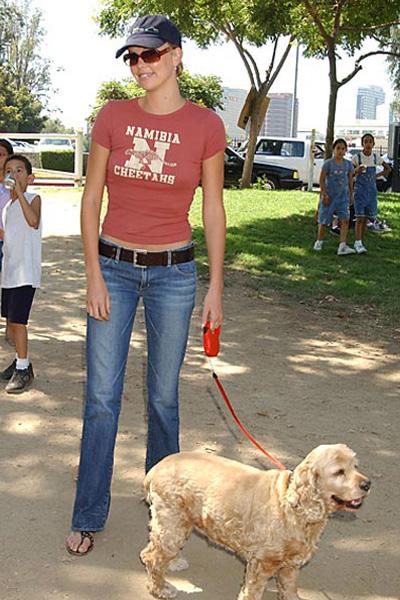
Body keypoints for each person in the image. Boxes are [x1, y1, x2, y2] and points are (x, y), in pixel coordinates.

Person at [66, 14, 226, 556]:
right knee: (102, 400)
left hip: (174, 275)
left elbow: (213, 208)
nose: (139, 65)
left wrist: (216, 287)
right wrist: (93, 274)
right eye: (132, 58)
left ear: (176, 55)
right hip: (112, 267)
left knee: (162, 399)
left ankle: (168, 512)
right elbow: (91, 200)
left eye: (150, 55)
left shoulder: (206, 125)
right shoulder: (112, 116)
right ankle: (89, 513)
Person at [0, 154, 41, 393]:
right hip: (11, 273)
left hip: (26, 273)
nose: (13, 175)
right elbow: (9, 237)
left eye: (18, 171)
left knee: (18, 321)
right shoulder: (7, 207)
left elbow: (33, 221)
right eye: (8, 171)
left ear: (29, 177)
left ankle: (24, 368)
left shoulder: (33, 199)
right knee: (11, 322)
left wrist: (20, 195)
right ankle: (19, 360)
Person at [313, 138, 355, 256]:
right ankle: (319, 242)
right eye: (338, 148)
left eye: (343, 149)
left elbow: (350, 180)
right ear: (333, 149)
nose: (340, 151)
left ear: (346, 150)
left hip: (343, 197)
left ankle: (342, 245)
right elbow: (321, 179)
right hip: (329, 196)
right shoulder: (328, 164)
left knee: (345, 220)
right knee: (324, 220)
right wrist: (324, 193)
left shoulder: (348, 165)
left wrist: (351, 194)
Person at [351, 133, 391, 254]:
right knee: (359, 217)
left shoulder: (375, 158)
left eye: (370, 142)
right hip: (360, 191)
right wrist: (357, 170)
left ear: (373, 144)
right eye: (366, 141)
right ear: (362, 144)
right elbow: (350, 173)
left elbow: (388, 168)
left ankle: (360, 241)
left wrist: (376, 176)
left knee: (366, 217)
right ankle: (357, 241)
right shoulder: (357, 158)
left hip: (371, 191)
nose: (368, 144)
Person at [0, 139, 15, 344]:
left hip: (11, 241)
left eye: (2, 154)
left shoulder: (14, 183)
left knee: (11, 285)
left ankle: (10, 325)